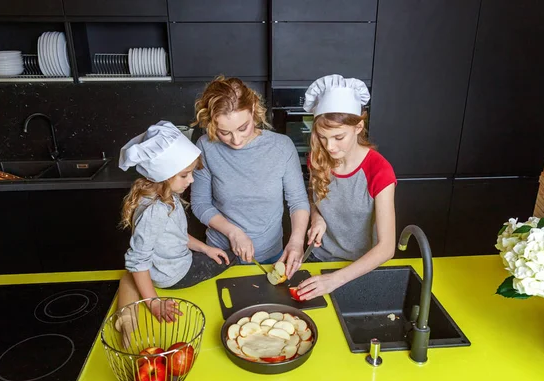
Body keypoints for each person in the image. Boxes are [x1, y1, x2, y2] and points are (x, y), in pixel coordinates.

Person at [114, 121, 236, 347]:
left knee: (128, 277)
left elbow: (176, 235)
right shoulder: (156, 211)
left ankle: (127, 319)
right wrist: (154, 303)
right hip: (175, 275)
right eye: (184, 175)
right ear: (163, 175)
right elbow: (137, 261)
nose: (190, 180)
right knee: (233, 258)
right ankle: (129, 329)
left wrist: (206, 248)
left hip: (165, 267)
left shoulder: (162, 197)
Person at [293, 74, 397, 301]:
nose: (329, 146)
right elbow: (314, 197)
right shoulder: (317, 158)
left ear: (358, 126)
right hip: (317, 260)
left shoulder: (379, 170)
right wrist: (316, 217)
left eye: (339, 137)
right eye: (322, 137)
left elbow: (387, 247)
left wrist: (335, 279)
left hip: (357, 269)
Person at [191, 76, 310, 274]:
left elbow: (298, 200)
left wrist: (297, 242)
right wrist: (233, 233)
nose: (236, 140)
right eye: (224, 132)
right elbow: (200, 203)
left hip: (271, 255)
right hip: (220, 254)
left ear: (254, 110)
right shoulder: (206, 146)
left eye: (242, 128)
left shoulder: (281, 147)